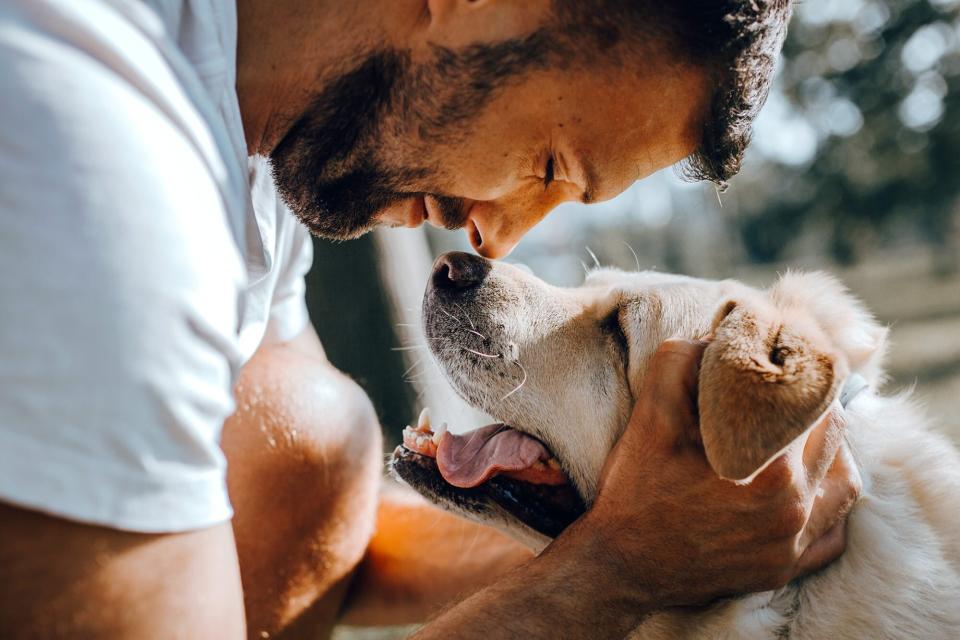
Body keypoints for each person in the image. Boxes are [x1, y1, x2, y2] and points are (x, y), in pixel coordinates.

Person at [0, 0, 860, 638]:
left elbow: (328, 539)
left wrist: (684, 536)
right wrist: (614, 574)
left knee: (312, 438)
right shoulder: (94, 167)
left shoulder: (237, 150)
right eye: (549, 162)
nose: (495, 234)